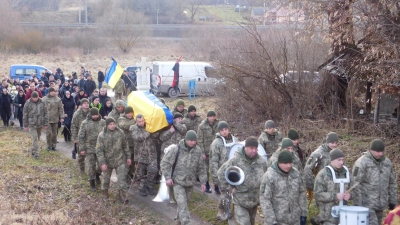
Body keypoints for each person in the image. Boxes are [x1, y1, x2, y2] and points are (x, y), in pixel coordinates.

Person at [161, 130, 208, 225]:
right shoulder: (176, 149)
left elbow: (201, 168)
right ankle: (186, 222)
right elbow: (164, 163)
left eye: (194, 140)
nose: (193, 142)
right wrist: (167, 177)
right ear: (186, 139)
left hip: (190, 183)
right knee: (182, 204)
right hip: (177, 182)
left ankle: (178, 221)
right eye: (191, 140)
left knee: (184, 204)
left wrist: (203, 182)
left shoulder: (198, 151)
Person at [217, 136, 267, 225]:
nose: (254, 150)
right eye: (251, 148)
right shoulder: (235, 160)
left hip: (254, 202)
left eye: (256, 148)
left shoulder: (262, 162)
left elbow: (267, 178)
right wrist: (229, 187)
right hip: (240, 201)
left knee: (251, 223)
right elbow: (221, 173)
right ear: (245, 147)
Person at [352, 139, 398, 225]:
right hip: (367, 205)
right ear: (371, 150)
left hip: (381, 204)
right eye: (377, 151)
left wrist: (393, 201)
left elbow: (392, 183)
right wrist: (357, 205)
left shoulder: (387, 163)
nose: (380, 154)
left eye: (382, 151)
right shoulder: (362, 162)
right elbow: (355, 184)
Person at [260, 150, 308, 225]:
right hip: (278, 221)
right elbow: (265, 199)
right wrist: (271, 221)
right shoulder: (269, 176)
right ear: (279, 162)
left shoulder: (296, 174)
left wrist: (303, 213)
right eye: (285, 163)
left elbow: (302, 193)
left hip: (295, 219)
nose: (288, 165)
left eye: (290, 163)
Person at [96, 117, 131, 203]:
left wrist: (128, 157)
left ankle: (122, 195)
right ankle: (105, 194)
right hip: (107, 161)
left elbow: (125, 145)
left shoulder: (120, 133)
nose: (112, 126)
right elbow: (99, 150)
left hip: (120, 160)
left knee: (122, 178)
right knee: (106, 179)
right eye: (110, 124)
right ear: (107, 125)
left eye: (113, 124)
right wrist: (102, 163)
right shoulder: (102, 135)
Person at [314, 149, 351, 225]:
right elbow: (318, 195)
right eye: (339, 160)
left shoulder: (346, 173)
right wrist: (335, 196)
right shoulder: (323, 174)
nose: (341, 162)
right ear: (332, 160)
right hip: (328, 217)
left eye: (343, 160)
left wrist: (350, 195)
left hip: (345, 215)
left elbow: (356, 190)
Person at [130, 114, 161, 196]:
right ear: (136, 121)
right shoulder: (133, 128)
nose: (141, 123)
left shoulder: (148, 126)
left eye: (142, 121)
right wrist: (148, 132)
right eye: (139, 121)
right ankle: (142, 188)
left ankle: (149, 186)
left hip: (151, 154)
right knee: (140, 174)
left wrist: (153, 129)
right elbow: (137, 138)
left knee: (153, 170)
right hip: (140, 155)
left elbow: (155, 135)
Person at [78, 108, 106, 191]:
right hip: (89, 148)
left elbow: (107, 134)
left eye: (96, 114)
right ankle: (92, 182)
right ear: (90, 115)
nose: (95, 116)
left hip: (100, 148)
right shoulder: (85, 123)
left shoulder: (103, 122)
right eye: (93, 115)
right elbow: (81, 136)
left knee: (101, 165)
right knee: (91, 166)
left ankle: (97, 174)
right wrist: (82, 148)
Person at [210, 121, 239, 196]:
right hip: (223, 174)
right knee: (225, 196)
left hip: (235, 172)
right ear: (219, 131)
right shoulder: (216, 143)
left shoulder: (235, 140)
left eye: (226, 129)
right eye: (222, 130)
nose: (224, 132)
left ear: (229, 129)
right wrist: (216, 178)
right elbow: (214, 162)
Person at [197, 110, 219, 193]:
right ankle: (207, 185)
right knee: (205, 169)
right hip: (206, 151)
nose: (212, 118)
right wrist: (202, 152)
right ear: (207, 117)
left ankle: (216, 186)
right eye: (211, 116)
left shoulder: (218, 124)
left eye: (214, 116)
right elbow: (199, 140)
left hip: (216, 151)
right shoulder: (202, 126)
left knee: (215, 169)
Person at [23, 91, 48, 159]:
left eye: (36, 98)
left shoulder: (42, 102)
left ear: (38, 97)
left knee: (38, 138)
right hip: (32, 124)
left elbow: (46, 113)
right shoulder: (28, 103)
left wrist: (45, 124)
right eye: (34, 98)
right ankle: (36, 153)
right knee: (35, 138)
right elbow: (25, 114)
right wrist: (26, 125)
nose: (35, 99)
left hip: (40, 124)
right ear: (31, 97)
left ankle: (33, 150)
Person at [117, 106, 136, 184]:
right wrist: (136, 121)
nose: (130, 115)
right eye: (128, 113)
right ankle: (124, 180)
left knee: (132, 163)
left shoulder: (133, 119)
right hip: (125, 145)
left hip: (133, 144)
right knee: (126, 163)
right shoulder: (121, 119)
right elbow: (126, 126)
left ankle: (130, 176)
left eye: (131, 113)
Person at [71, 98, 91, 173]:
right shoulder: (77, 114)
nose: (86, 104)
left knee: (91, 155)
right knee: (81, 155)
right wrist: (75, 137)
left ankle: (91, 171)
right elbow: (73, 126)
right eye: (85, 103)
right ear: (81, 105)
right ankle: (82, 169)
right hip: (81, 137)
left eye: (87, 103)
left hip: (91, 136)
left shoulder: (91, 112)